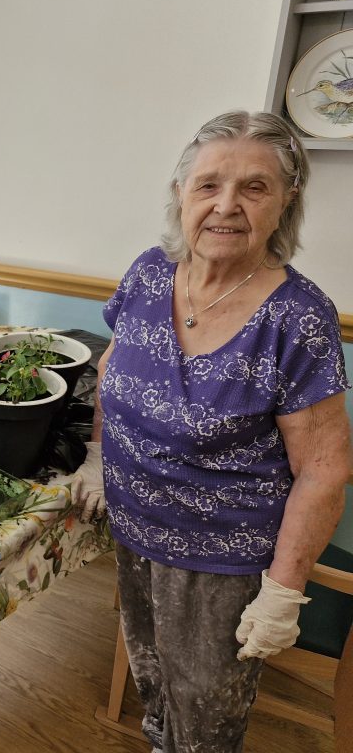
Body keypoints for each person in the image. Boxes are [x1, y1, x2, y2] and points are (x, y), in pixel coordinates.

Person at [71, 110, 350, 752]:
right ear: (180, 195)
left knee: (205, 718)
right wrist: (95, 456)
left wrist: (283, 590)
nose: (227, 205)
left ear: (286, 202)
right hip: (135, 530)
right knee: (155, 683)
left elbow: (324, 468)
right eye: (208, 185)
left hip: (219, 563)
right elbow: (115, 367)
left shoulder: (298, 318)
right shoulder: (148, 273)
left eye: (254, 187)